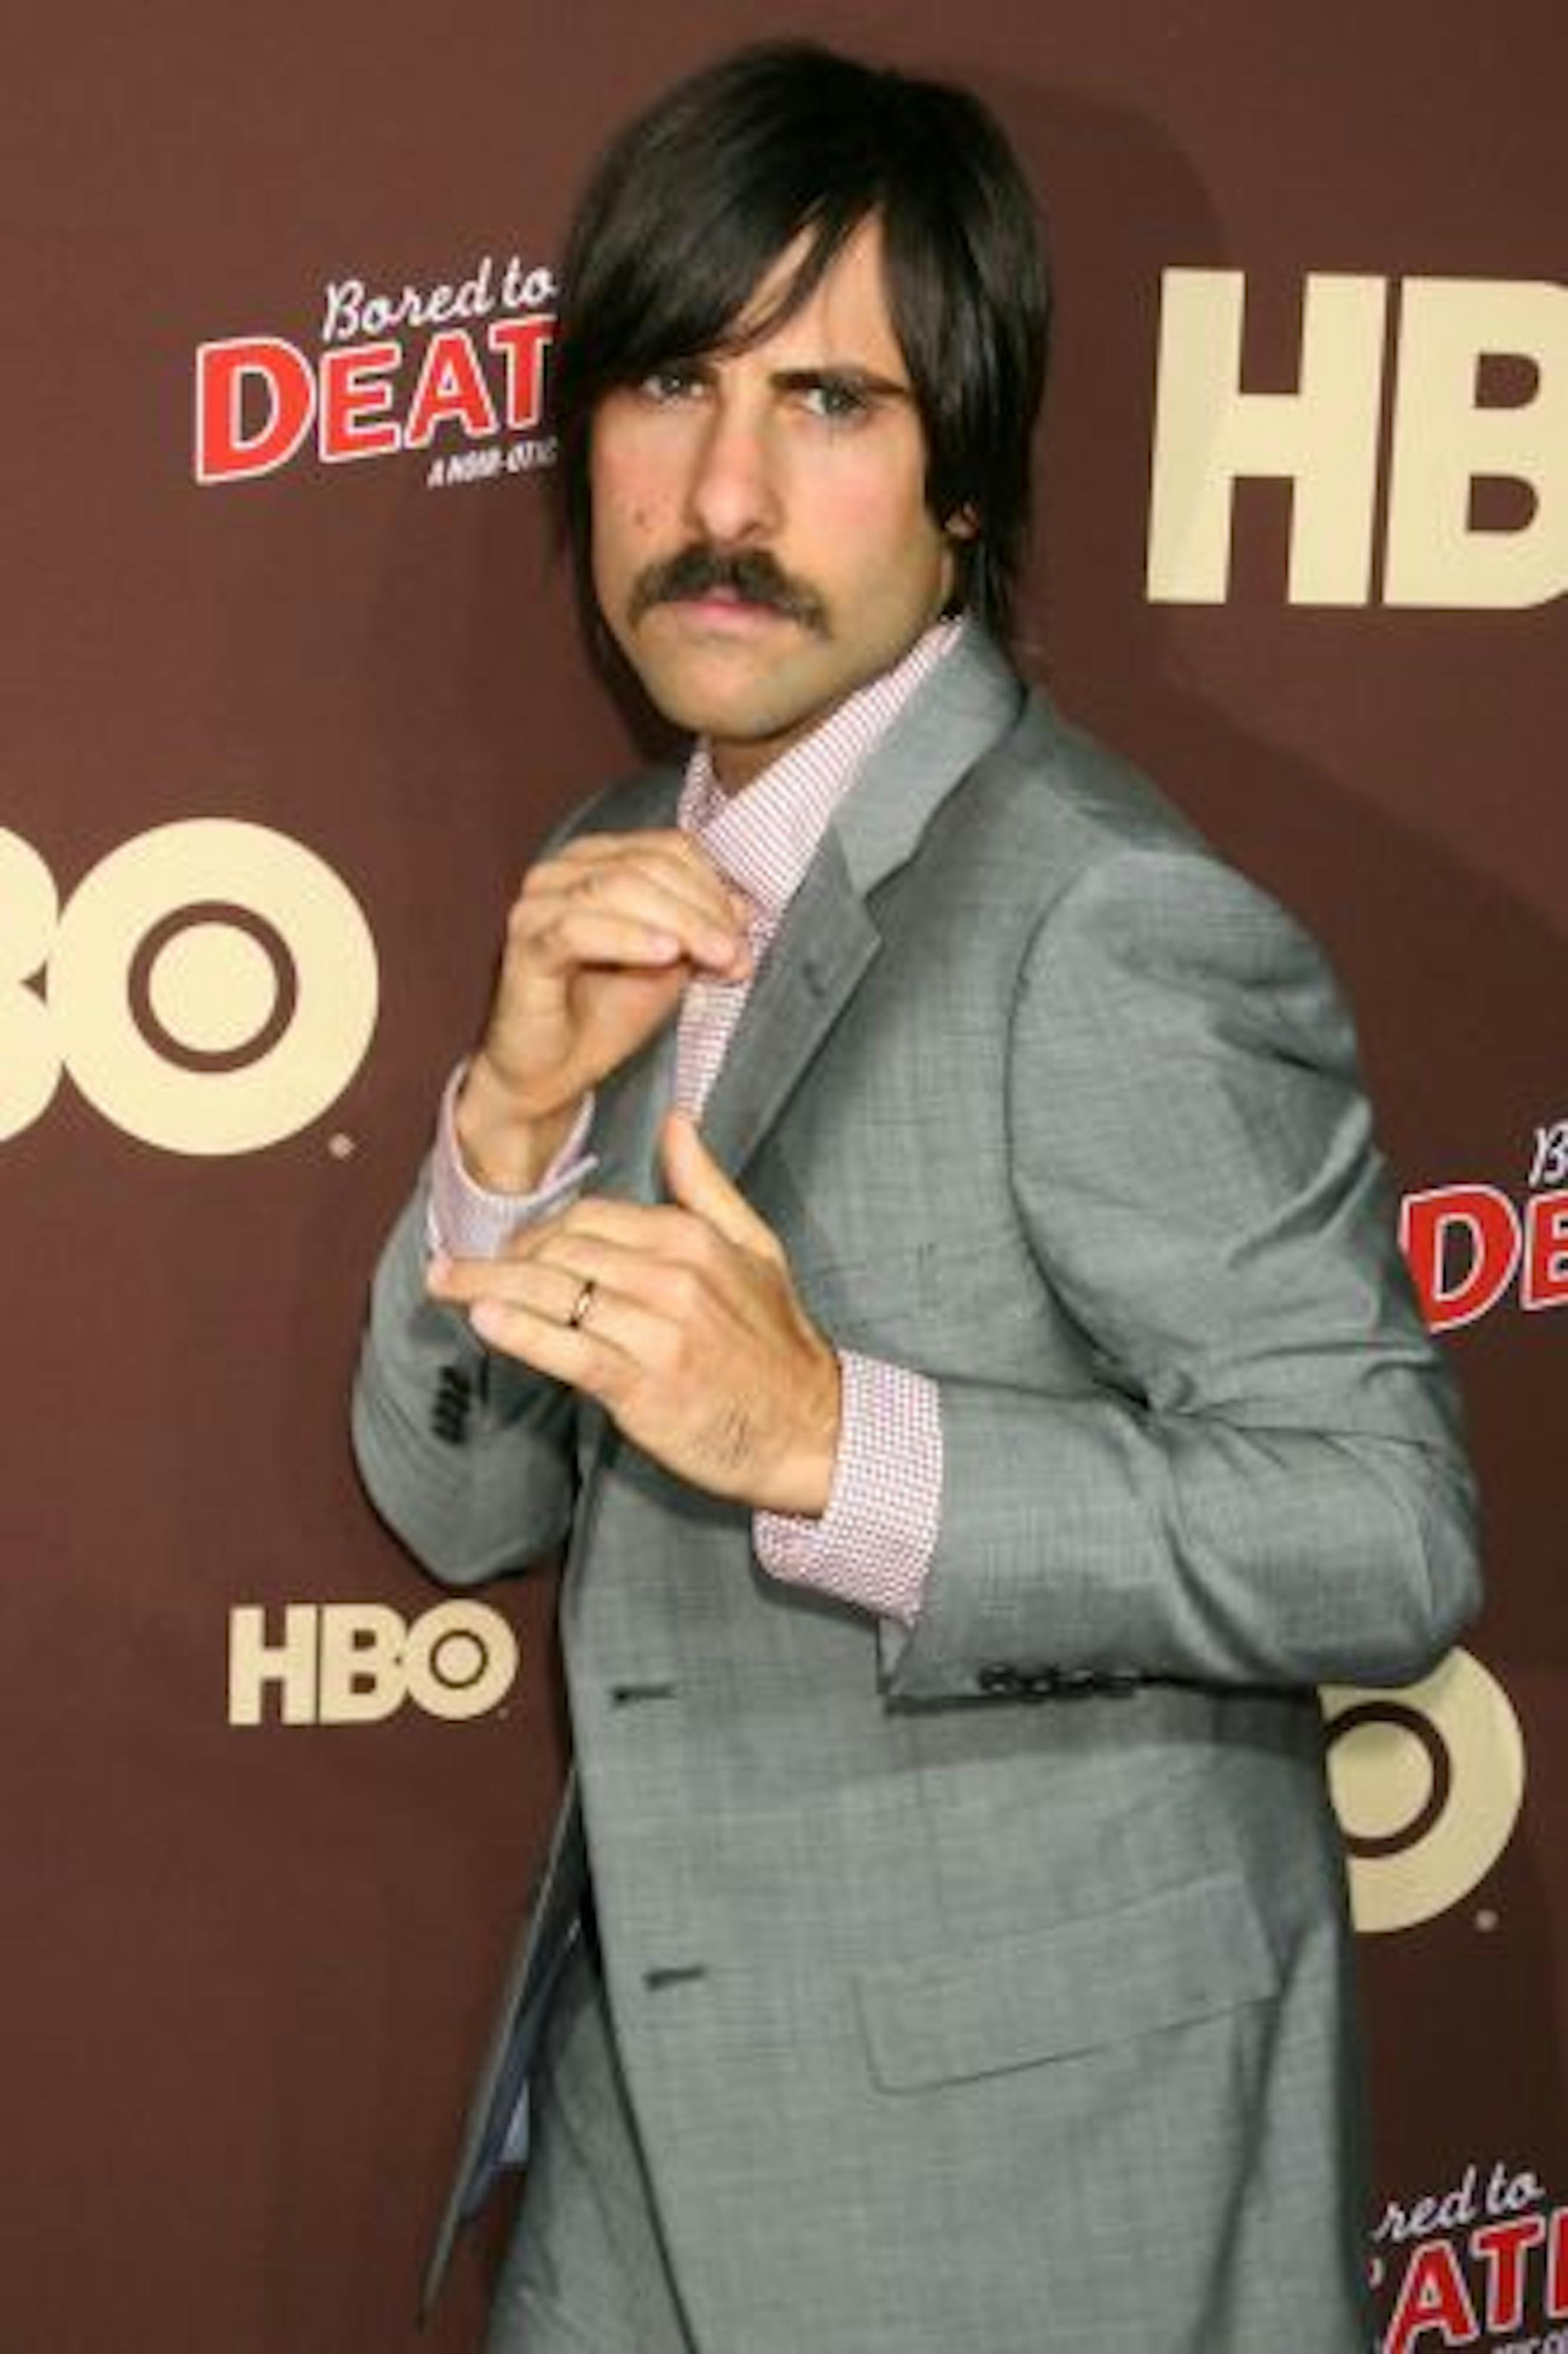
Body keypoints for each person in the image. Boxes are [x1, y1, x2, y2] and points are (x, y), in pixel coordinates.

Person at [352, 41, 1479, 2354]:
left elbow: (1391, 1532)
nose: (728, 486)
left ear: (966, 483)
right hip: (641, 2157)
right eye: (671, 380)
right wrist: (500, 1134)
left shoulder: (1108, 920)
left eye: (834, 402)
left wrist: (831, 1443)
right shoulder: (603, 873)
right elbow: (457, 1517)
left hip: (1030, 2203)